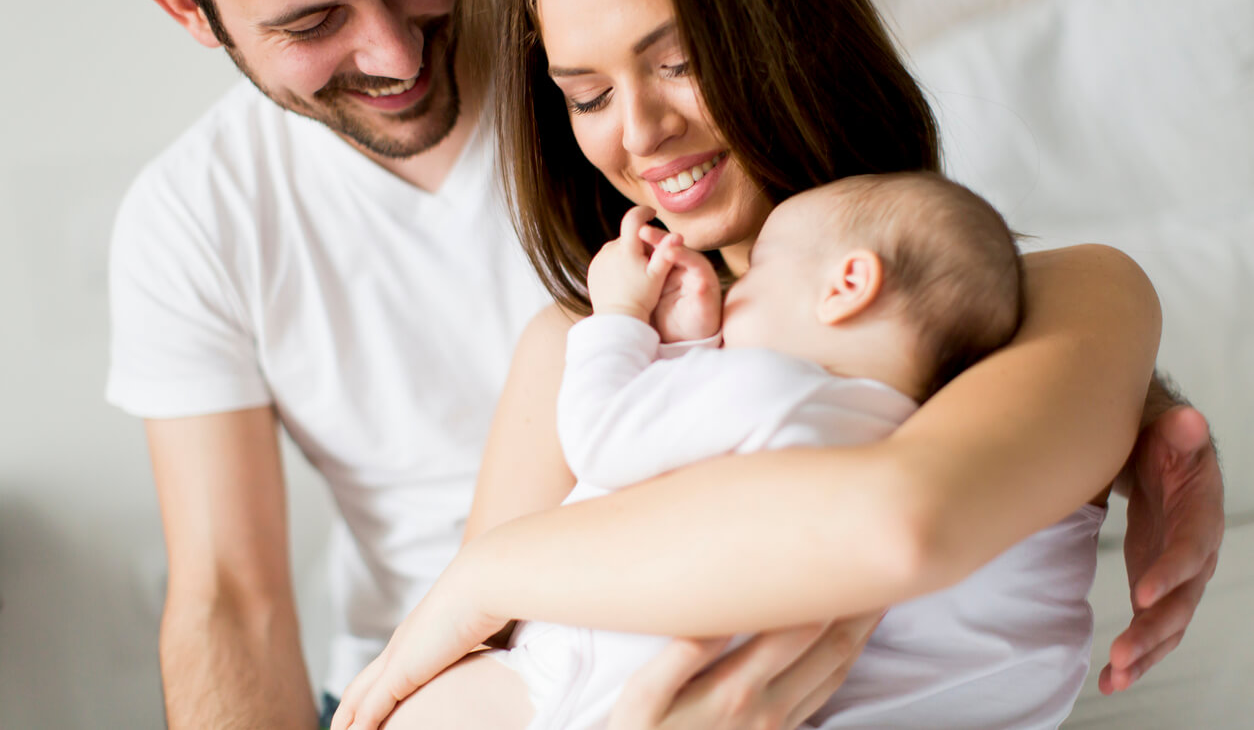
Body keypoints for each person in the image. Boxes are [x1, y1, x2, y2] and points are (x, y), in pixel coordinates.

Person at [104, 0, 1221, 728]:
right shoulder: (575, 344)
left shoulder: (1078, 285)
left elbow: (901, 523)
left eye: (680, 62)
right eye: (584, 94)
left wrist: (489, 573)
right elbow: (311, 636)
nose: (636, 133)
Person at [335, 174, 1114, 730]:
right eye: (590, 94)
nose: (733, 290)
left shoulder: (767, 386)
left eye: (757, 274)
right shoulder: (908, 430)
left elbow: (609, 435)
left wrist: (618, 322)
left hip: (574, 680)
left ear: (846, 284)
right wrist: (695, 346)